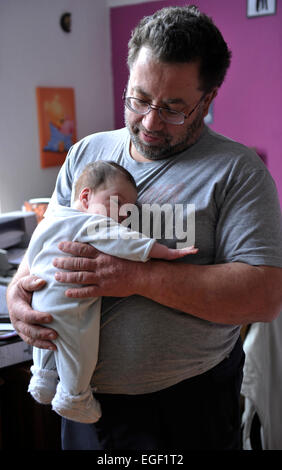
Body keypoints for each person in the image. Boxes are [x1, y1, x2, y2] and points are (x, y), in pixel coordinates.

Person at [7, 5, 282, 450]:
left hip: (188, 408)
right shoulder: (85, 156)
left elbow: (264, 296)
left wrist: (134, 277)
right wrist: (17, 293)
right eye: (139, 99)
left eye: (174, 107)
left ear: (207, 99)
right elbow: (48, 241)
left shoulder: (238, 172)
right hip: (82, 403)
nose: (151, 122)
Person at [26, 160, 196, 424]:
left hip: (41, 299)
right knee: (78, 352)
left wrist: (26, 284)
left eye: (127, 212)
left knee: (47, 345)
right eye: (116, 203)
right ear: (85, 197)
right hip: (71, 307)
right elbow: (127, 242)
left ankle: (43, 378)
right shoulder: (89, 222)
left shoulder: (51, 219)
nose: (122, 217)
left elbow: (32, 254)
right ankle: (74, 397)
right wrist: (167, 252)